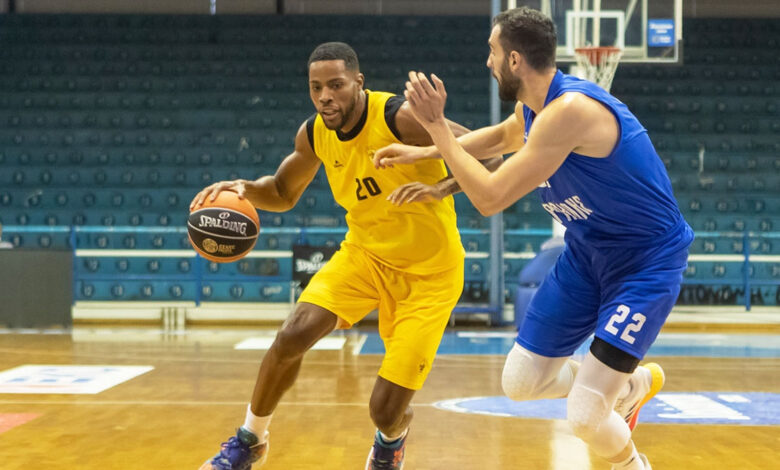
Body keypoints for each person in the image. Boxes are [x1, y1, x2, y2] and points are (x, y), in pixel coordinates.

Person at [374, 7, 693, 470]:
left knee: (585, 415)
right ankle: (629, 385)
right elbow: (501, 138)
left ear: (515, 59)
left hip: (644, 262)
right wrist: (419, 151)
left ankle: (630, 462)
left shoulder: (570, 112)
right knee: (521, 382)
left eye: (492, 51)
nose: (488, 61)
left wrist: (437, 127)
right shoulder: (533, 109)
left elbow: (490, 197)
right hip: (586, 255)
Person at [192, 42, 497, 470]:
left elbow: (492, 155)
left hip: (430, 275)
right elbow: (281, 192)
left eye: (335, 85)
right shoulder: (314, 133)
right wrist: (243, 189)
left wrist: (440, 188)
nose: (325, 97)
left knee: (385, 411)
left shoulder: (398, 118)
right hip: (364, 257)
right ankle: (250, 439)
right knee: (292, 335)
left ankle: (391, 441)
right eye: (316, 87)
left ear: (358, 83)